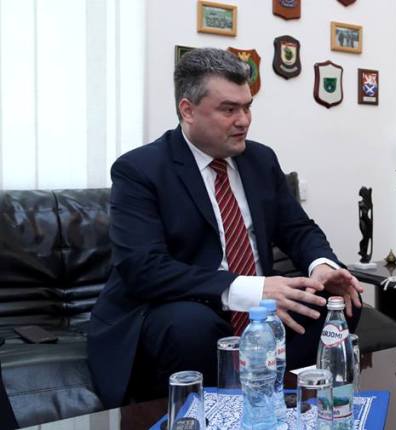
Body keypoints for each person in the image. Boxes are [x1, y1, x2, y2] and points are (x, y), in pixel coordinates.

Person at [88, 47, 364, 408]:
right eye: (229, 109)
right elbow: (144, 269)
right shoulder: (140, 170)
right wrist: (252, 290)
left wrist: (323, 267)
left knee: (339, 302)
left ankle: (285, 403)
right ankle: (212, 411)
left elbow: (298, 228)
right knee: (191, 325)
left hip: (261, 311)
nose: (243, 121)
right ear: (187, 110)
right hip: (182, 305)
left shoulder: (260, 159)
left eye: (247, 107)